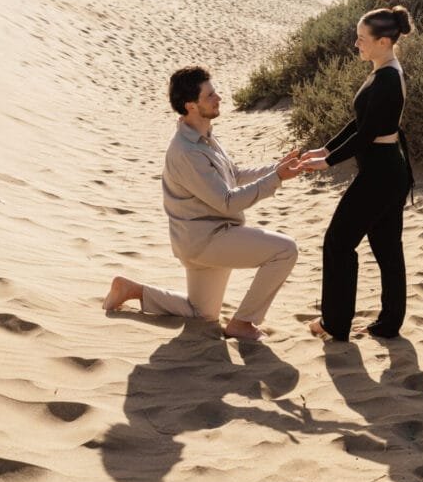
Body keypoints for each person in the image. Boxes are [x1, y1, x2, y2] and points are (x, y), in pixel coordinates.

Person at [103, 65, 304, 340]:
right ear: (191, 106)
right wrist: (276, 178)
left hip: (206, 238)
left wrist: (278, 169)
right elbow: (227, 201)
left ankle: (133, 290)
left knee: (202, 313)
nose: (218, 97)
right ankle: (242, 323)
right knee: (285, 250)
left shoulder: (205, 137)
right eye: (210, 95)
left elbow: (234, 175)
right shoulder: (187, 151)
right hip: (207, 240)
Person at [299, 6, 415, 341]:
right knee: (386, 247)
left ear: (382, 41)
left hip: (381, 173)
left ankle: (334, 323)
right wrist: (326, 148)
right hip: (388, 169)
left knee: (338, 243)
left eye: (362, 39)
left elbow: (367, 134)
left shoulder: (389, 77)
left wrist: (329, 161)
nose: (356, 44)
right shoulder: (383, 70)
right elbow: (361, 122)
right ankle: (390, 323)